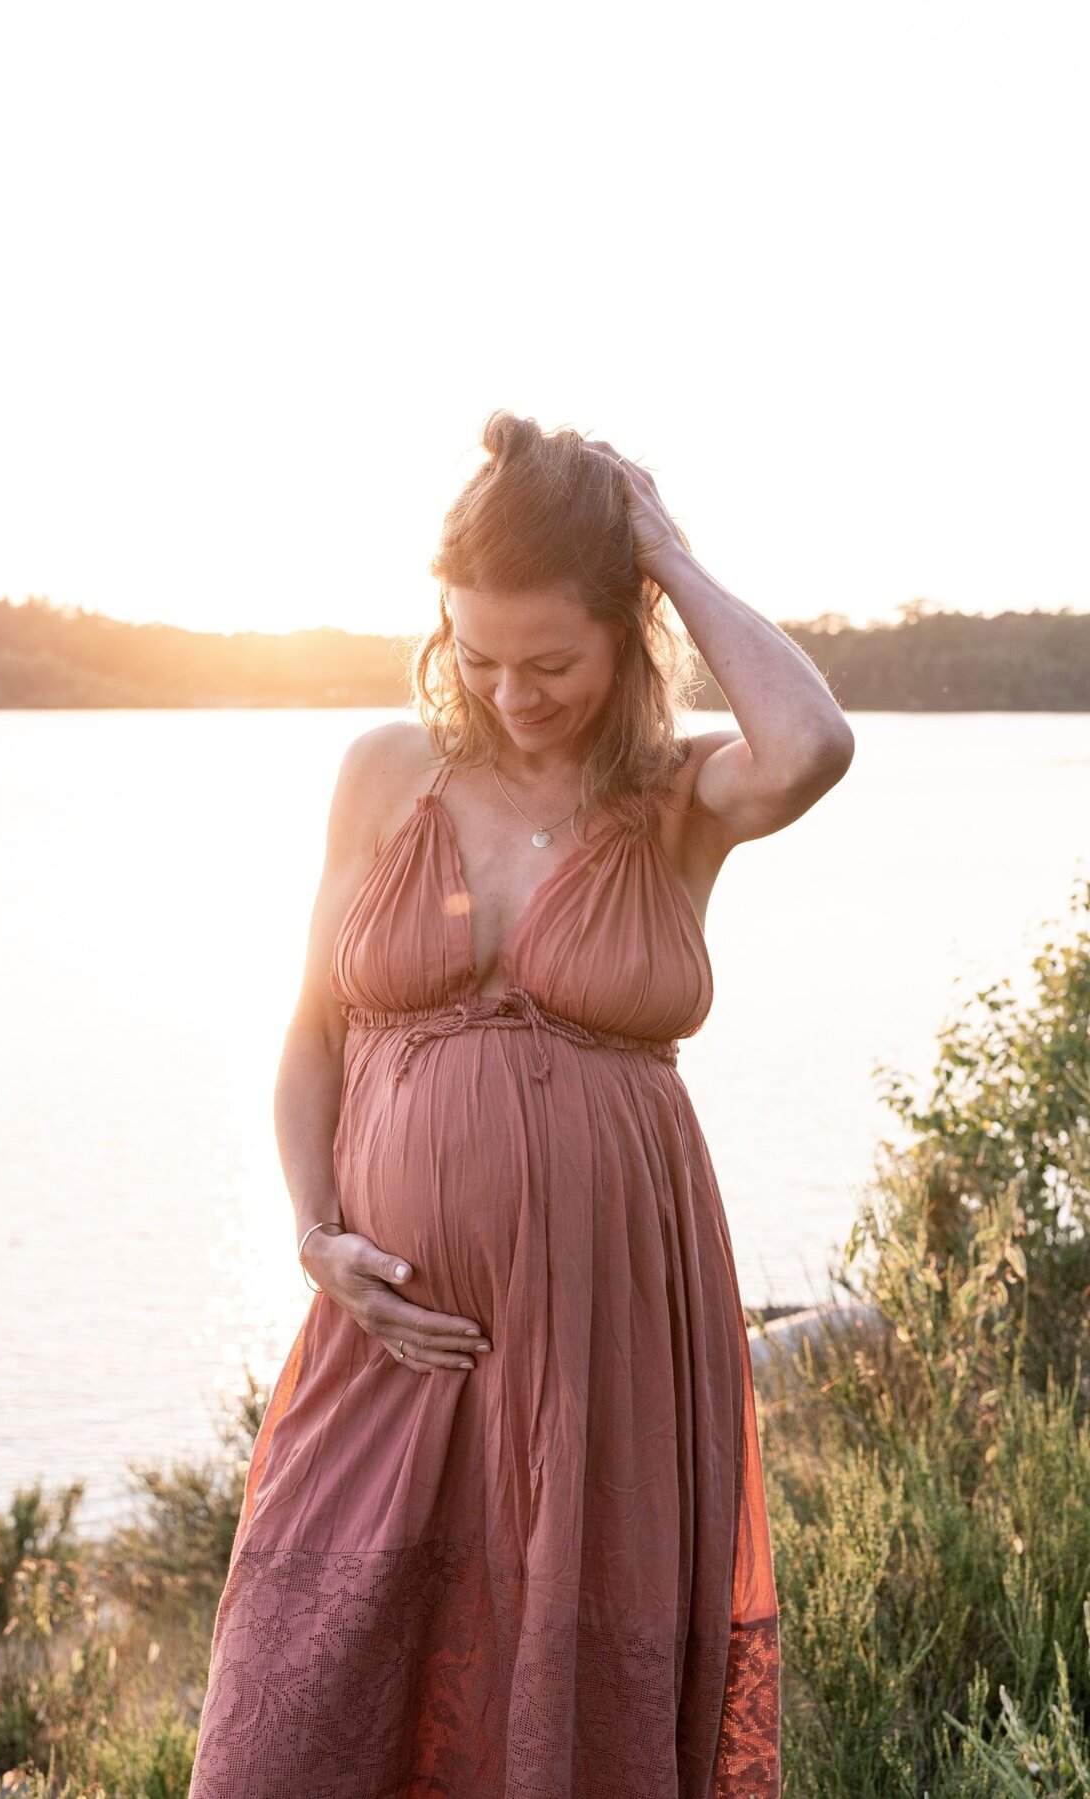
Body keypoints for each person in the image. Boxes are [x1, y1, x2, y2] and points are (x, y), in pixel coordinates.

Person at [186, 411, 855, 1798]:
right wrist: (317, 1236)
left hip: (603, 1335)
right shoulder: (384, 774)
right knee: (292, 1709)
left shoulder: (679, 798)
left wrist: (662, 542)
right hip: (391, 1332)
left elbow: (810, 743)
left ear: (632, 630)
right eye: (476, 656)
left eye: (550, 659)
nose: (511, 692)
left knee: (557, 1719)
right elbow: (314, 1032)